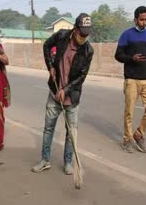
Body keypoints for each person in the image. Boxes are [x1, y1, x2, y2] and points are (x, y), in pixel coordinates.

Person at [31, 13, 94, 174]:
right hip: (54, 93)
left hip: (72, 98)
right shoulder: (61, 36)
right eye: (82, 33)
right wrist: (50, 65)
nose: (84, 37)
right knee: (48, 129)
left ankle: (68, 163)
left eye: (87, 34)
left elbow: (81, 77)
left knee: (71, 133)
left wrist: (65, 90)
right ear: (75, 29)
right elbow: (46, 46)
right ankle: (45, 160)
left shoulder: (88, 50)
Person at [115, 6, 146, 153]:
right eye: (141, 19)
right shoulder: (127, 35)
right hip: (132, 79)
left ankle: (138, 134)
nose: (144, 22)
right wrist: (131, 58)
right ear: (135, 19)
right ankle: (127, 139)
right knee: (129, 112)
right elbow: (118, 55)